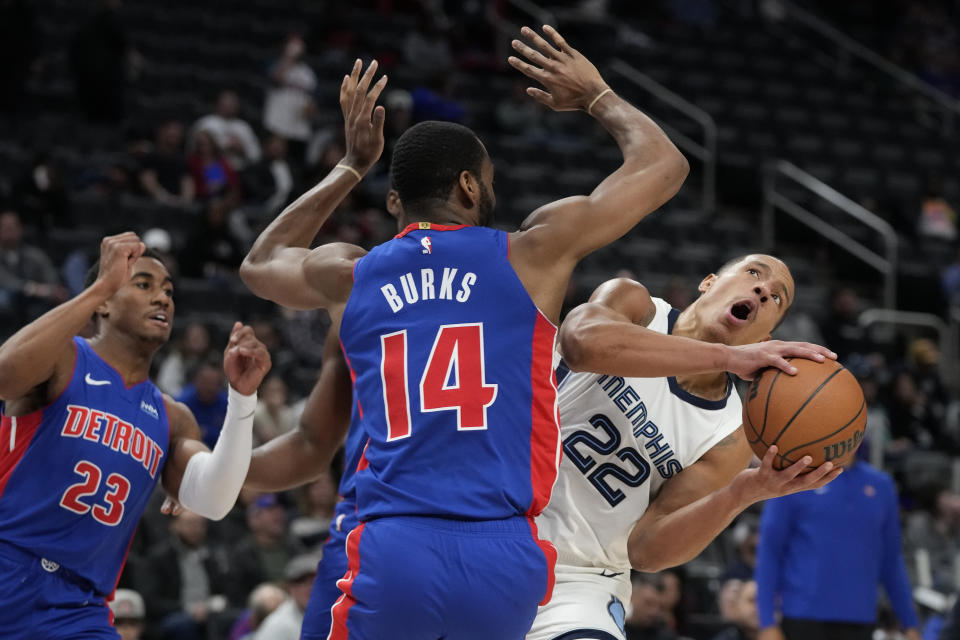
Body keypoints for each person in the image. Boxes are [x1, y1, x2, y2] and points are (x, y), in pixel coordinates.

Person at [240, 24, 691, 639]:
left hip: (396, 542)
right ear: (469, 185)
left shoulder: (354, 272)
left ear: (398, 202)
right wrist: (596, 96)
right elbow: (665, 166)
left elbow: (261, 264)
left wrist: (350, 165)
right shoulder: (532, 254)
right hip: (502, 551)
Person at [526, 255, 840, 640]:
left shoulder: (730, 433)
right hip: (495, 518)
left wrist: (745, 492)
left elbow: (645, 550)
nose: (762, 289)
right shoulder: (636, 305)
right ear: (708, 282)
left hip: (580, 579)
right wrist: (727, 357)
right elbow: (581, 343)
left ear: (766, 339)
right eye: (754, 273)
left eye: (776, 298)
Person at [0, 233, 270, 639]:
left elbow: (214, 500)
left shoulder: (172, 417)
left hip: (79, 606)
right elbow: (5, 375)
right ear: (104, 303)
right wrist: (99, 286)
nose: (162, 298)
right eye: (143, 285)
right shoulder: (63, 358)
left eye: (168, 291)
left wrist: (242, 401)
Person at [756, 459, 921, 640]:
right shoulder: (795, 479)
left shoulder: (881, 485)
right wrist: (766, 621)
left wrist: (909, 622)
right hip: (802, 617)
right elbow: (769, 551)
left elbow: (891, 560)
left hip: (861, 618)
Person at [252, 554, 319, 640]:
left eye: (315, 580)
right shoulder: (278, 625)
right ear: (289, 588)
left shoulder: (335, 610)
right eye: (301, 581)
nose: (310, 587)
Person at [192, 90, 262, 171]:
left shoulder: (244, 127)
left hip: (241, 171)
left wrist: (242, 149)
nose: (229, 106)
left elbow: (256, 156)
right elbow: (194, 150)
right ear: (218, 104)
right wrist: (226, 145)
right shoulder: (206, 123)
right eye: (226, 103)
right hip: (212, 168)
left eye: (233, 104)